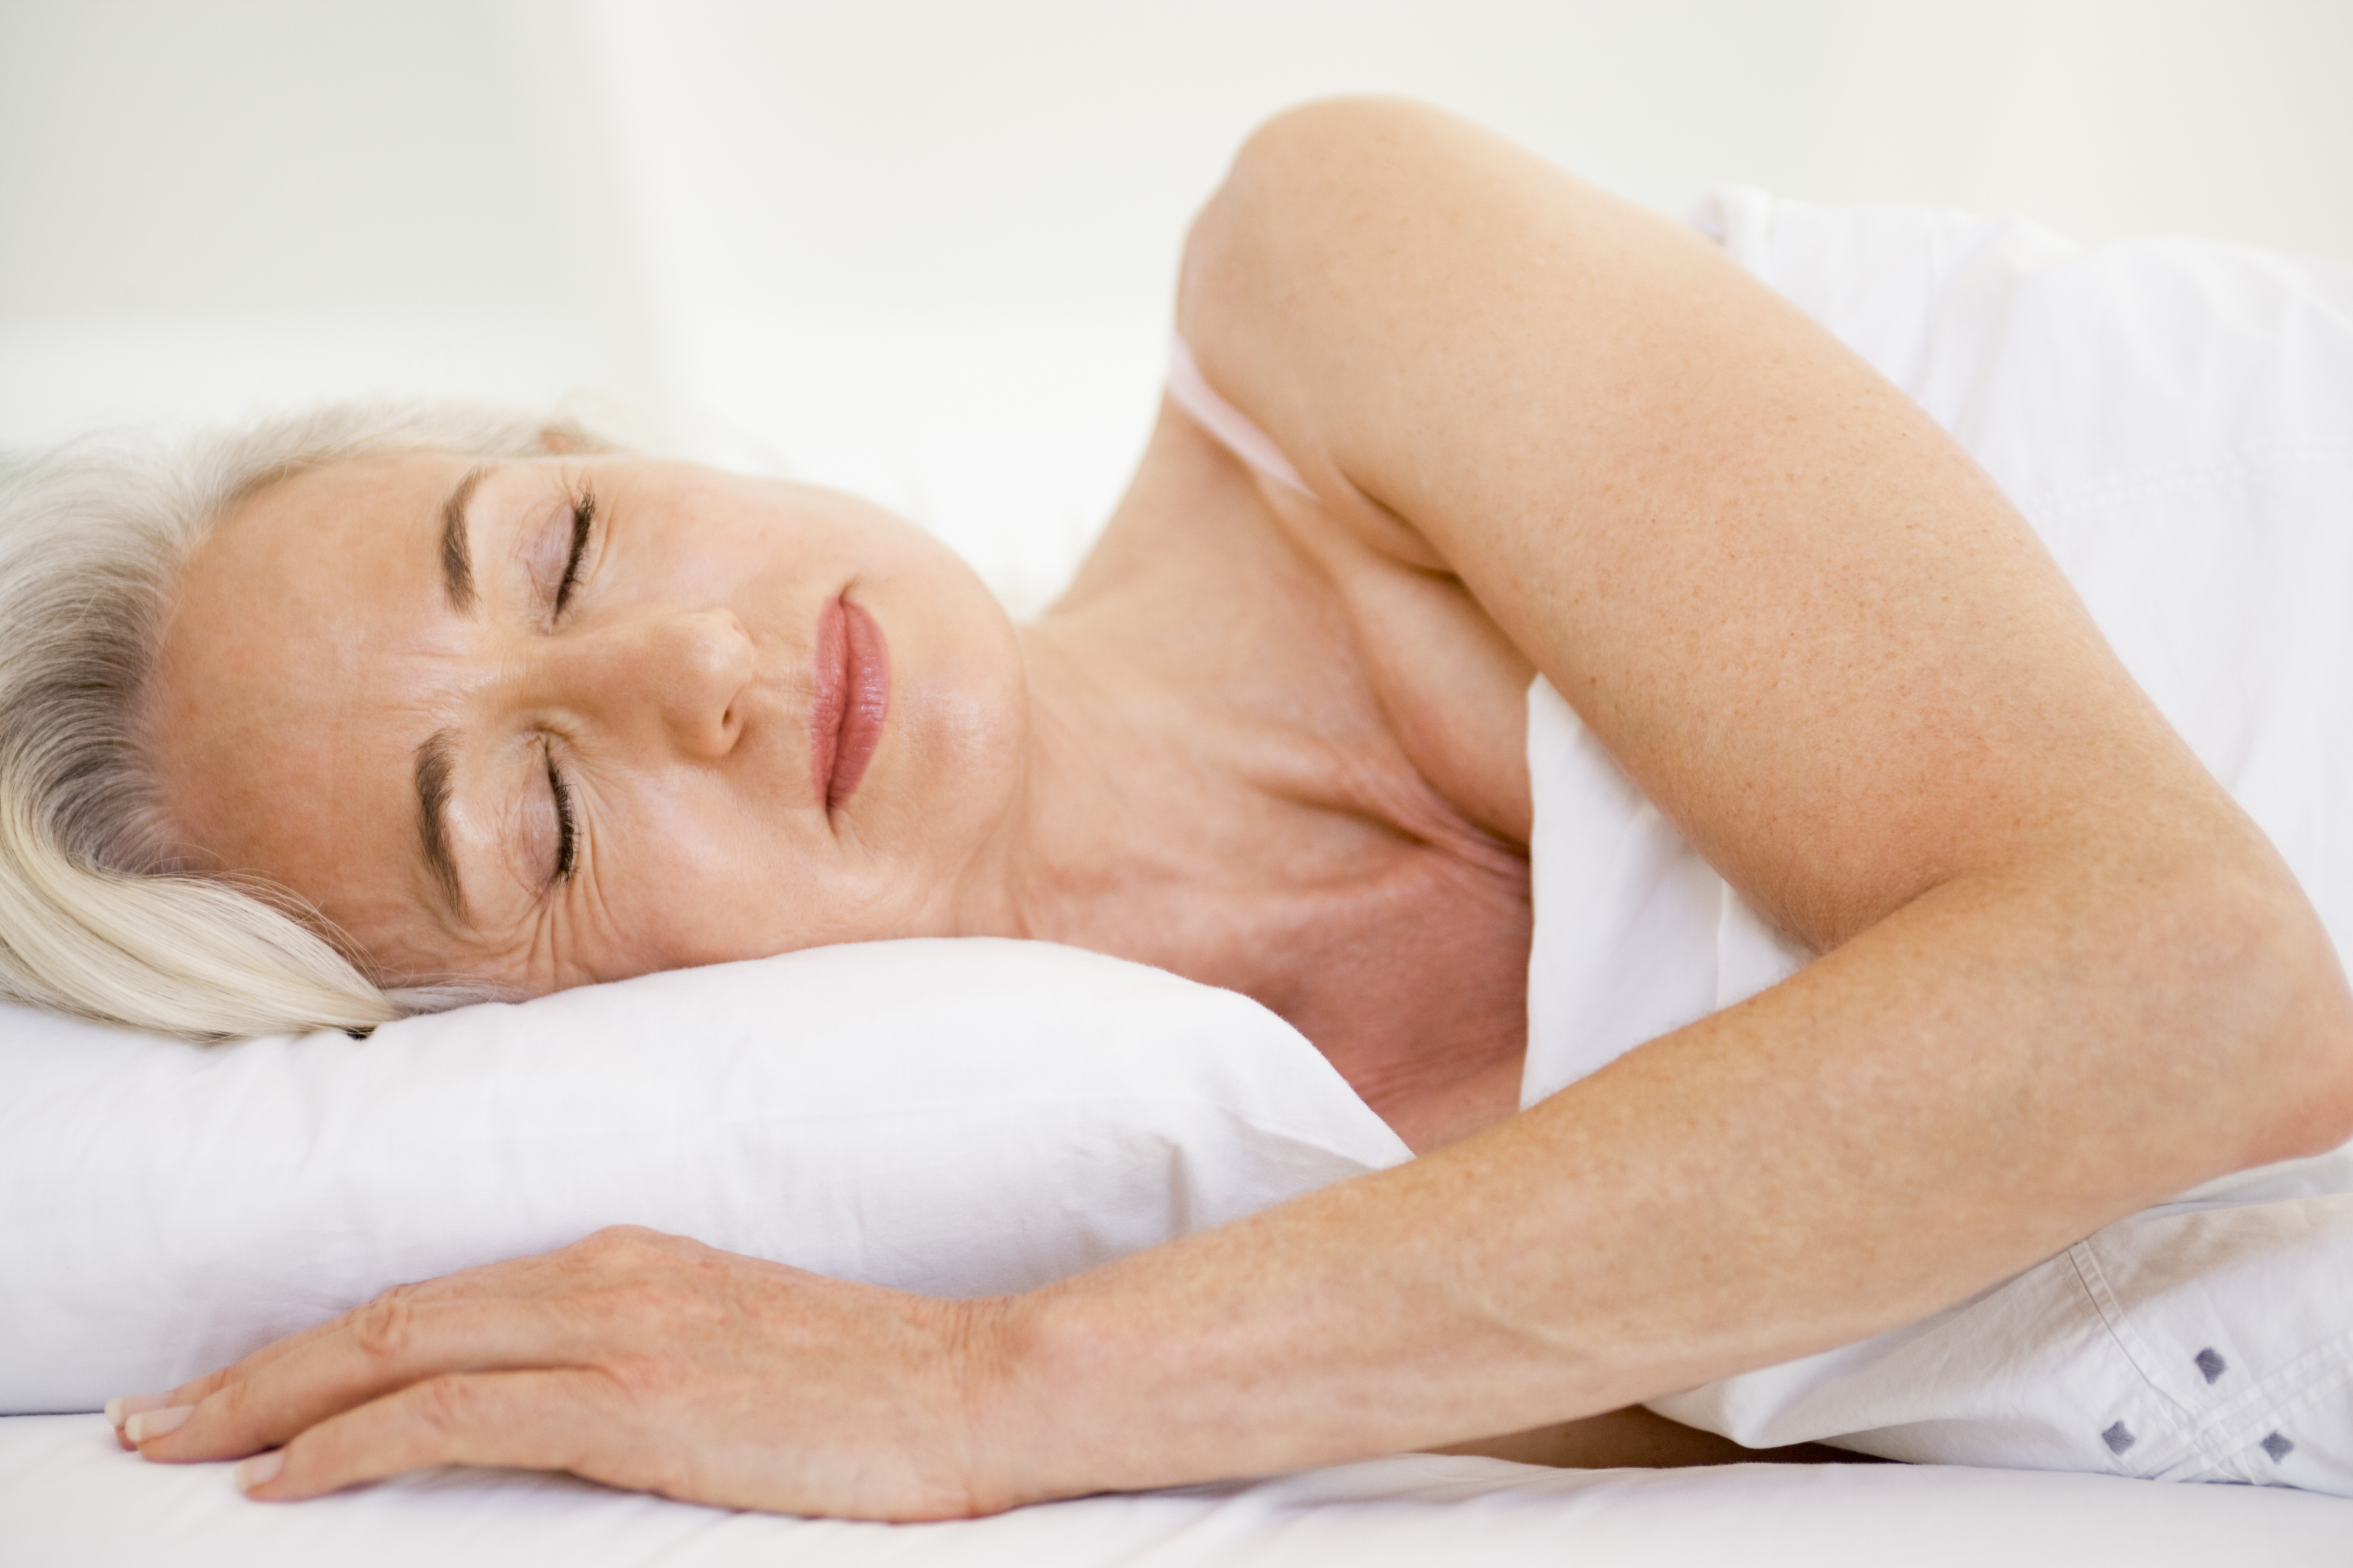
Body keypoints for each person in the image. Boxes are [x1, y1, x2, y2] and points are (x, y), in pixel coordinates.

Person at [10, 97, 2351, 1516]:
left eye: (564, 546)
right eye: (534, 818)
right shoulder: (1163, 1226)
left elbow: (2192, 989)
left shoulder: (1334, 274)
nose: (695, 675)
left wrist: (989, 1400)